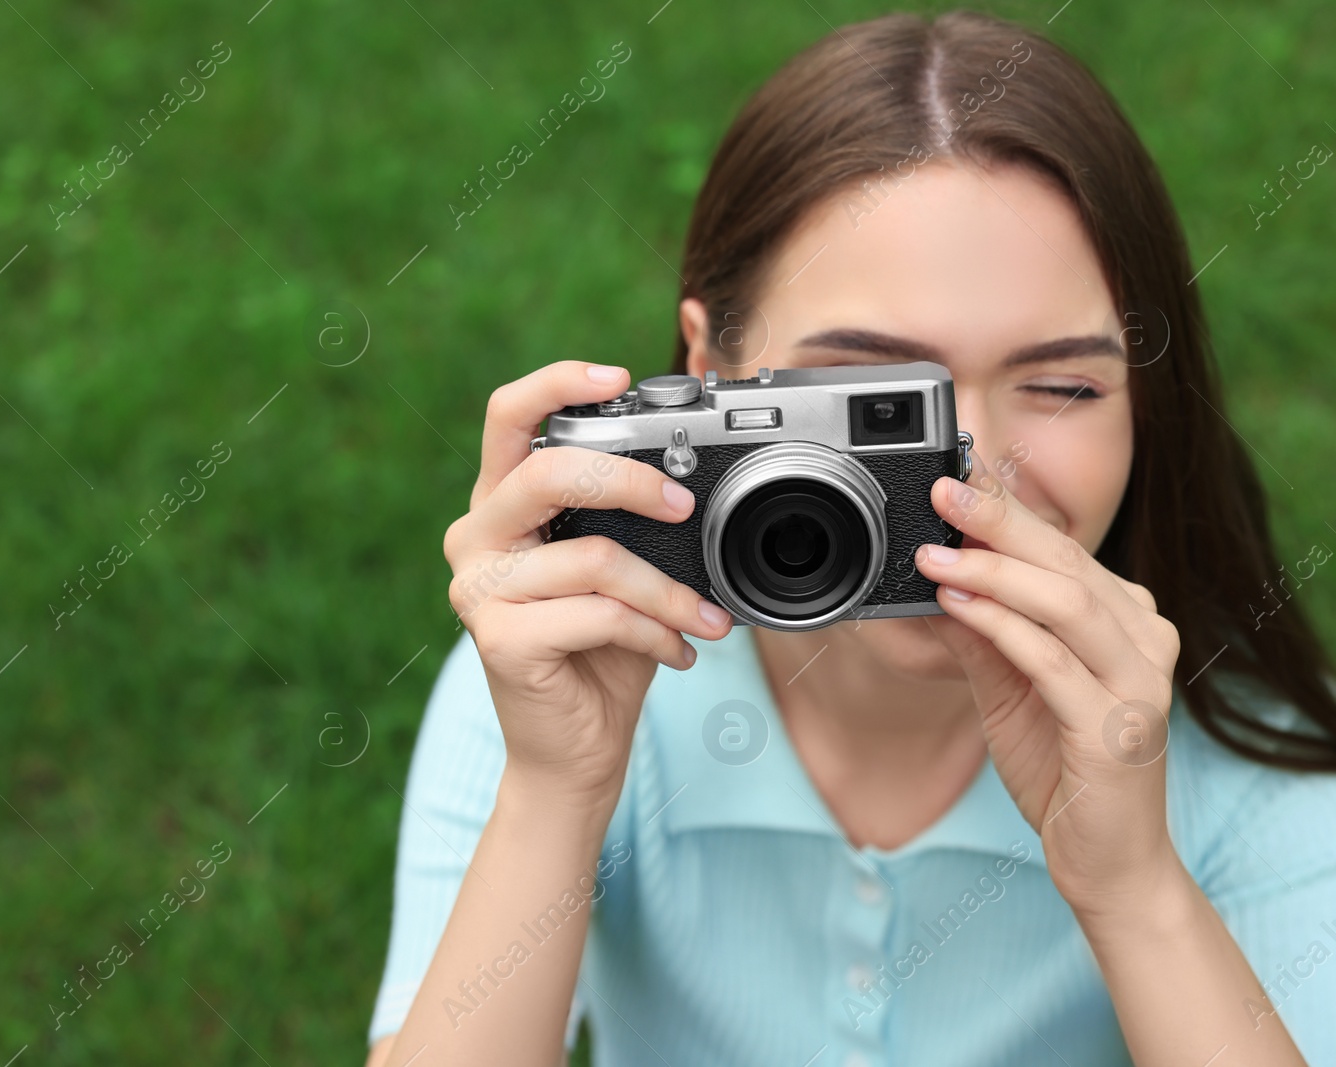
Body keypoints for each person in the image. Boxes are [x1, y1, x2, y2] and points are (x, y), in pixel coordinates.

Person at [365, 10, 1336, 1066]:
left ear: (1148, 401)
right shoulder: (568, 674)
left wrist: (1138, 889)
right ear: (702, 371)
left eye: (1061, 384)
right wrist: (555, 794)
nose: (967, 466)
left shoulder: (1245, 762)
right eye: (869, 393)